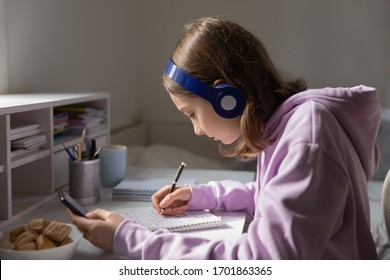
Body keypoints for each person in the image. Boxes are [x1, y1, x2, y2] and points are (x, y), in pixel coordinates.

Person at [68, 16, 380, 259]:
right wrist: (202, 195)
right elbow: (270, 194)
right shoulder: (293, 125)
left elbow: (263, 261)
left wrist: (128, 238)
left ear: (225, 98)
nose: (197, 129)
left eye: (192, 113)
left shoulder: (309, 137)